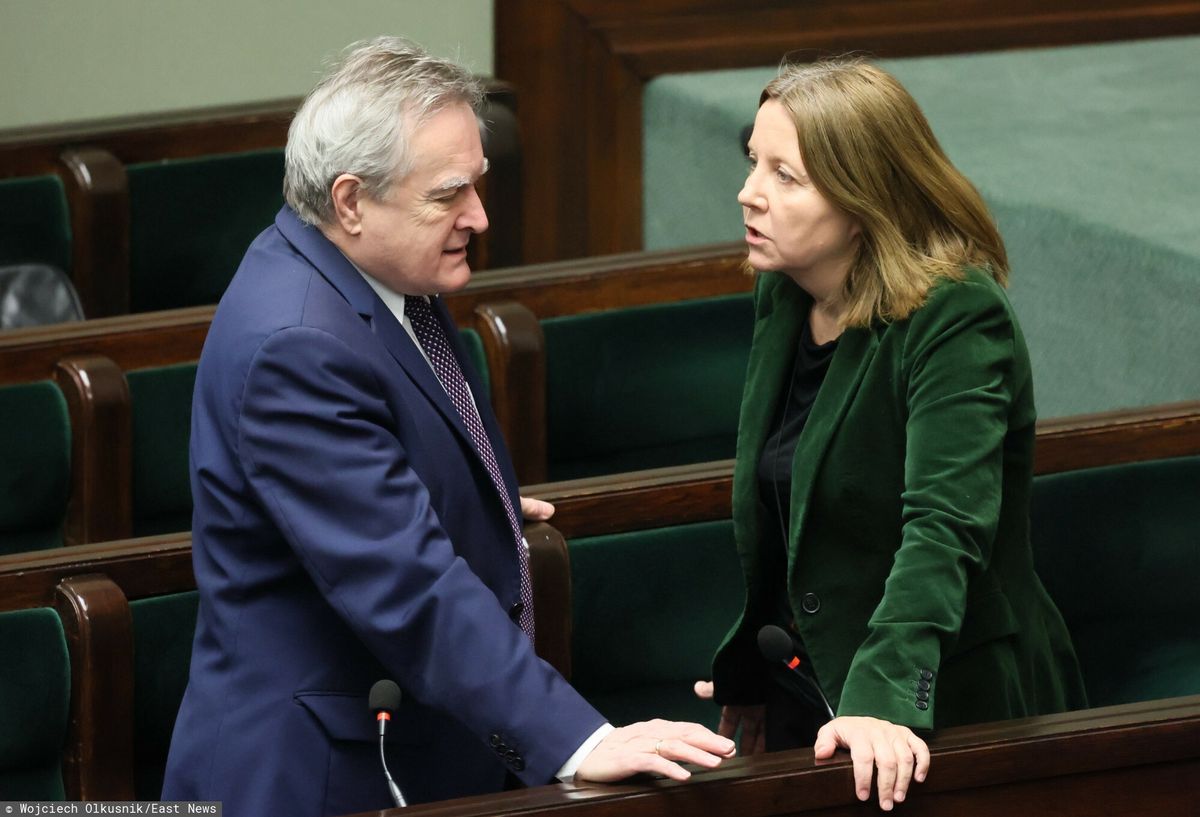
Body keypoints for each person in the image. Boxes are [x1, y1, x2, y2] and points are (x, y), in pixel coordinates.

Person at [162, 36, 733, 816]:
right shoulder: (297, 342)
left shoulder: (377, 270)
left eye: (479, 184)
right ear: (352, 199)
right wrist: (579, 739)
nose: (479, 215)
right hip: (319, 775)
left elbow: (388, 465)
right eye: (449, 194)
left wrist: (478, 500)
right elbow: (406, 582)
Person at [695, 58, 1088, 811]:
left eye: (786, 175)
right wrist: (757, 666)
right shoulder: (786, 292)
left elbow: (945, 526)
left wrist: (879, 696)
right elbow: (792, 496)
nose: (749, 193)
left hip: (942, 701)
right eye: (755, 163)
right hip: (810, 684)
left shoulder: (957, 316)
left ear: (861, 198)